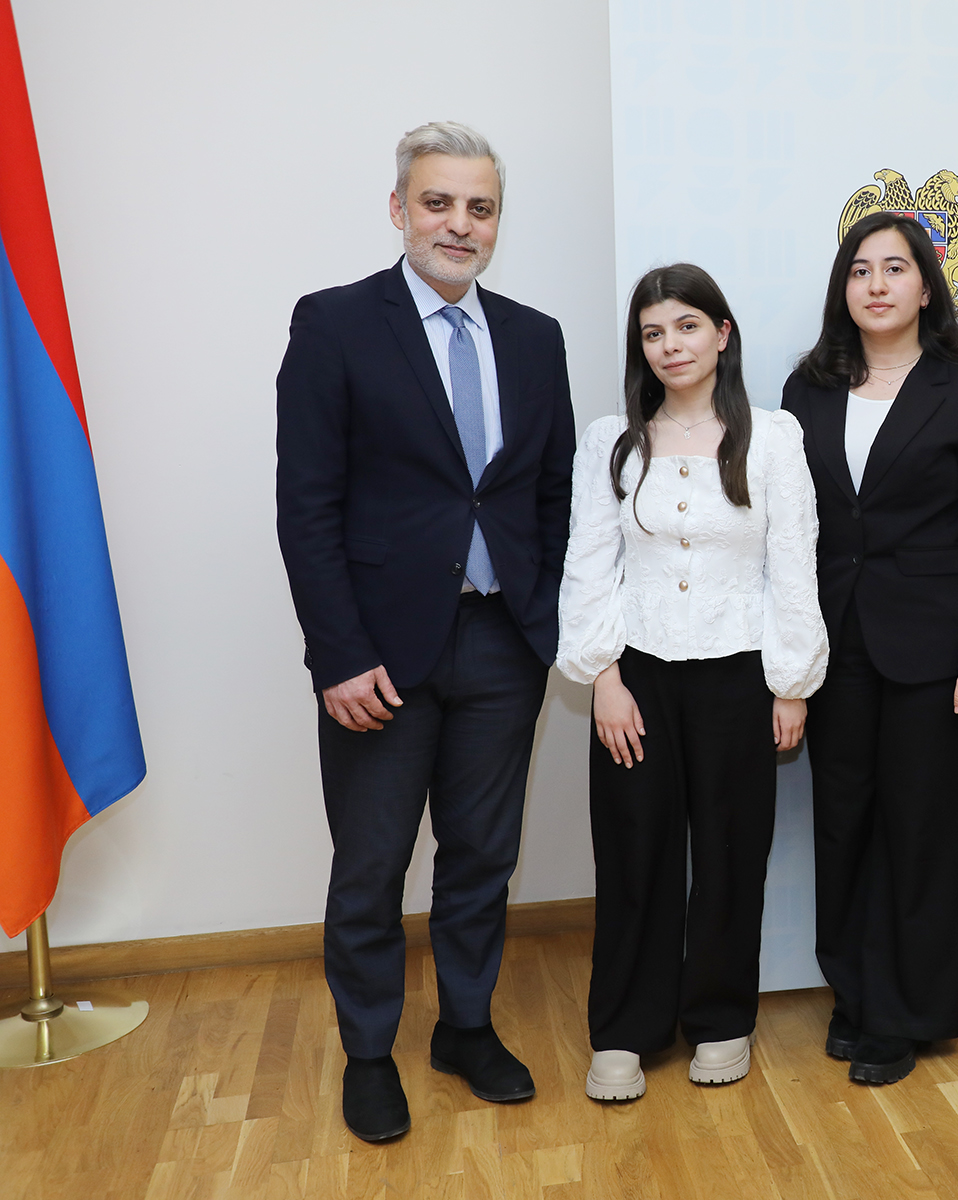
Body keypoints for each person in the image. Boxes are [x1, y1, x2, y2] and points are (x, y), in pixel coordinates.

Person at [275, 122, 575, 1142]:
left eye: (479, 208)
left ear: (497, 222)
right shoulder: (334, 323)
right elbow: (306, 507)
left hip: (503, 643)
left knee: (483, 856)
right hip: (380, 656)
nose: (459, 224)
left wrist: (545, 622)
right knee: (371, 865)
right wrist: (338, 655)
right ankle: (369, 1052)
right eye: (439, 202)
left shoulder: (535, 338)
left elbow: (551, 494)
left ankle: (465, 1027)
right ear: (400, 209)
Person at [556, 264, 828, 1102]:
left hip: (740, 675)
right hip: (636, 677)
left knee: (730, 853)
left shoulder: (773, 438)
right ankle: (624, 1031)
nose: (670, 346)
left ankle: (720, 1019)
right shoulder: (612, 441)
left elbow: (794, 564)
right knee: (634, 852)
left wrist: (791, 682)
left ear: (721, 334)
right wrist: (602, 677)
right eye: (652, 333)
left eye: (686, 326)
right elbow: (587, 567)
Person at [783, 210, 958, 1085]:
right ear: (842, 288)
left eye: (895, 268)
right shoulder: (806, 389)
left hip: (937, 651)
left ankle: (907, 1012)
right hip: (834, 646)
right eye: (860, 269)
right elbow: (791, 531)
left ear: (926, 287)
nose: (876, 284)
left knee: (923, 832)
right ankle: (854, 994)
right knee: (843, 824)